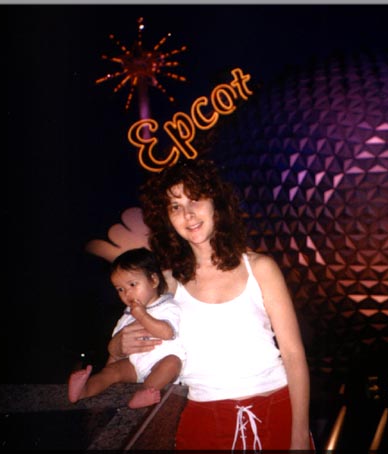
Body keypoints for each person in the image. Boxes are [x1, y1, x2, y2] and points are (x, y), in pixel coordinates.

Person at [108, 159, 313, 450]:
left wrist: (299, 438)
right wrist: (115, 346)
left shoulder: (260, 268)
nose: (188, 214)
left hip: (277, 409)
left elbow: (293, 355)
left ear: (216, 202)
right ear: (167, 218)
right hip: (203, 419)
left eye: (195, 199)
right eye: (175, 206)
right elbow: (123, 351)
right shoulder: (165, 284)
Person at [69, 248, 185, 409]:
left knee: (172, 363)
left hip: (161, 361)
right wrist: (109, 368)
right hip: (134, 365)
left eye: (132, 284)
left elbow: (167, 332)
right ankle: (84, 390)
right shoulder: (127, 315)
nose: (127, 293)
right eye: (120, 289)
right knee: (111, 372)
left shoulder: (167, 306)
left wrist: (143, 316)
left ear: (153, 280)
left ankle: (143, 393)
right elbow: (116, 351)